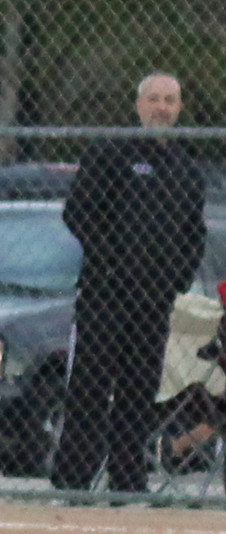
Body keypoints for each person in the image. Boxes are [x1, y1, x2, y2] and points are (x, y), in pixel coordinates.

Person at [51, 73, 206, 496]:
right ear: (138, 105)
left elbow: (194, 233)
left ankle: (127, 482)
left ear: (179, 107)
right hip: (105, 296)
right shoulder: (110, 153)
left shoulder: (185, 167)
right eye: (153, 99)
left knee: (139, 391)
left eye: (170, 100)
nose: (161, 108)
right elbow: (77, 213)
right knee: (90, 388)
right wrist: (113, 265)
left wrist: (176, 278)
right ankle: (73, 481)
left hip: (154, 302)